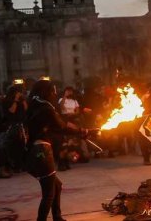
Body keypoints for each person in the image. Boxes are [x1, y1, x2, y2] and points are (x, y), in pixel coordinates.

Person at [24, 79, 98, 221]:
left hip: (33, 153)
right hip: (41, 153)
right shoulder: (45, 108)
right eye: (53, 90)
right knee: (49, 193)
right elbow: (62, 126)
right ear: (46, 92)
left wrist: (82, 130)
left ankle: (57, 217)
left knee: (56, 186)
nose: (55, 93)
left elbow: (60, 122)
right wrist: (82, 131)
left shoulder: (36, 105)